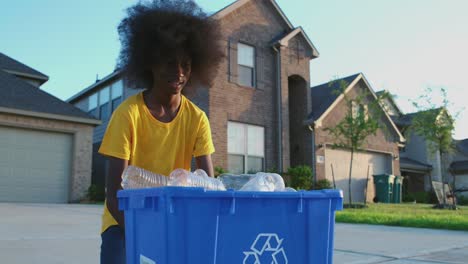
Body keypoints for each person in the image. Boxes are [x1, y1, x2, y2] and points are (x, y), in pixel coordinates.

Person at [98, 1, 224, 263]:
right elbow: (113, 195)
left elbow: (209, 188)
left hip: (175, 219)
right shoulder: (127, 114)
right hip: (124, 221)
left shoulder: (198, 119)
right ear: (150, 64)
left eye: (185, 65)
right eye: (169, 63)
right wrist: (148, 237)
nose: (178, 72)